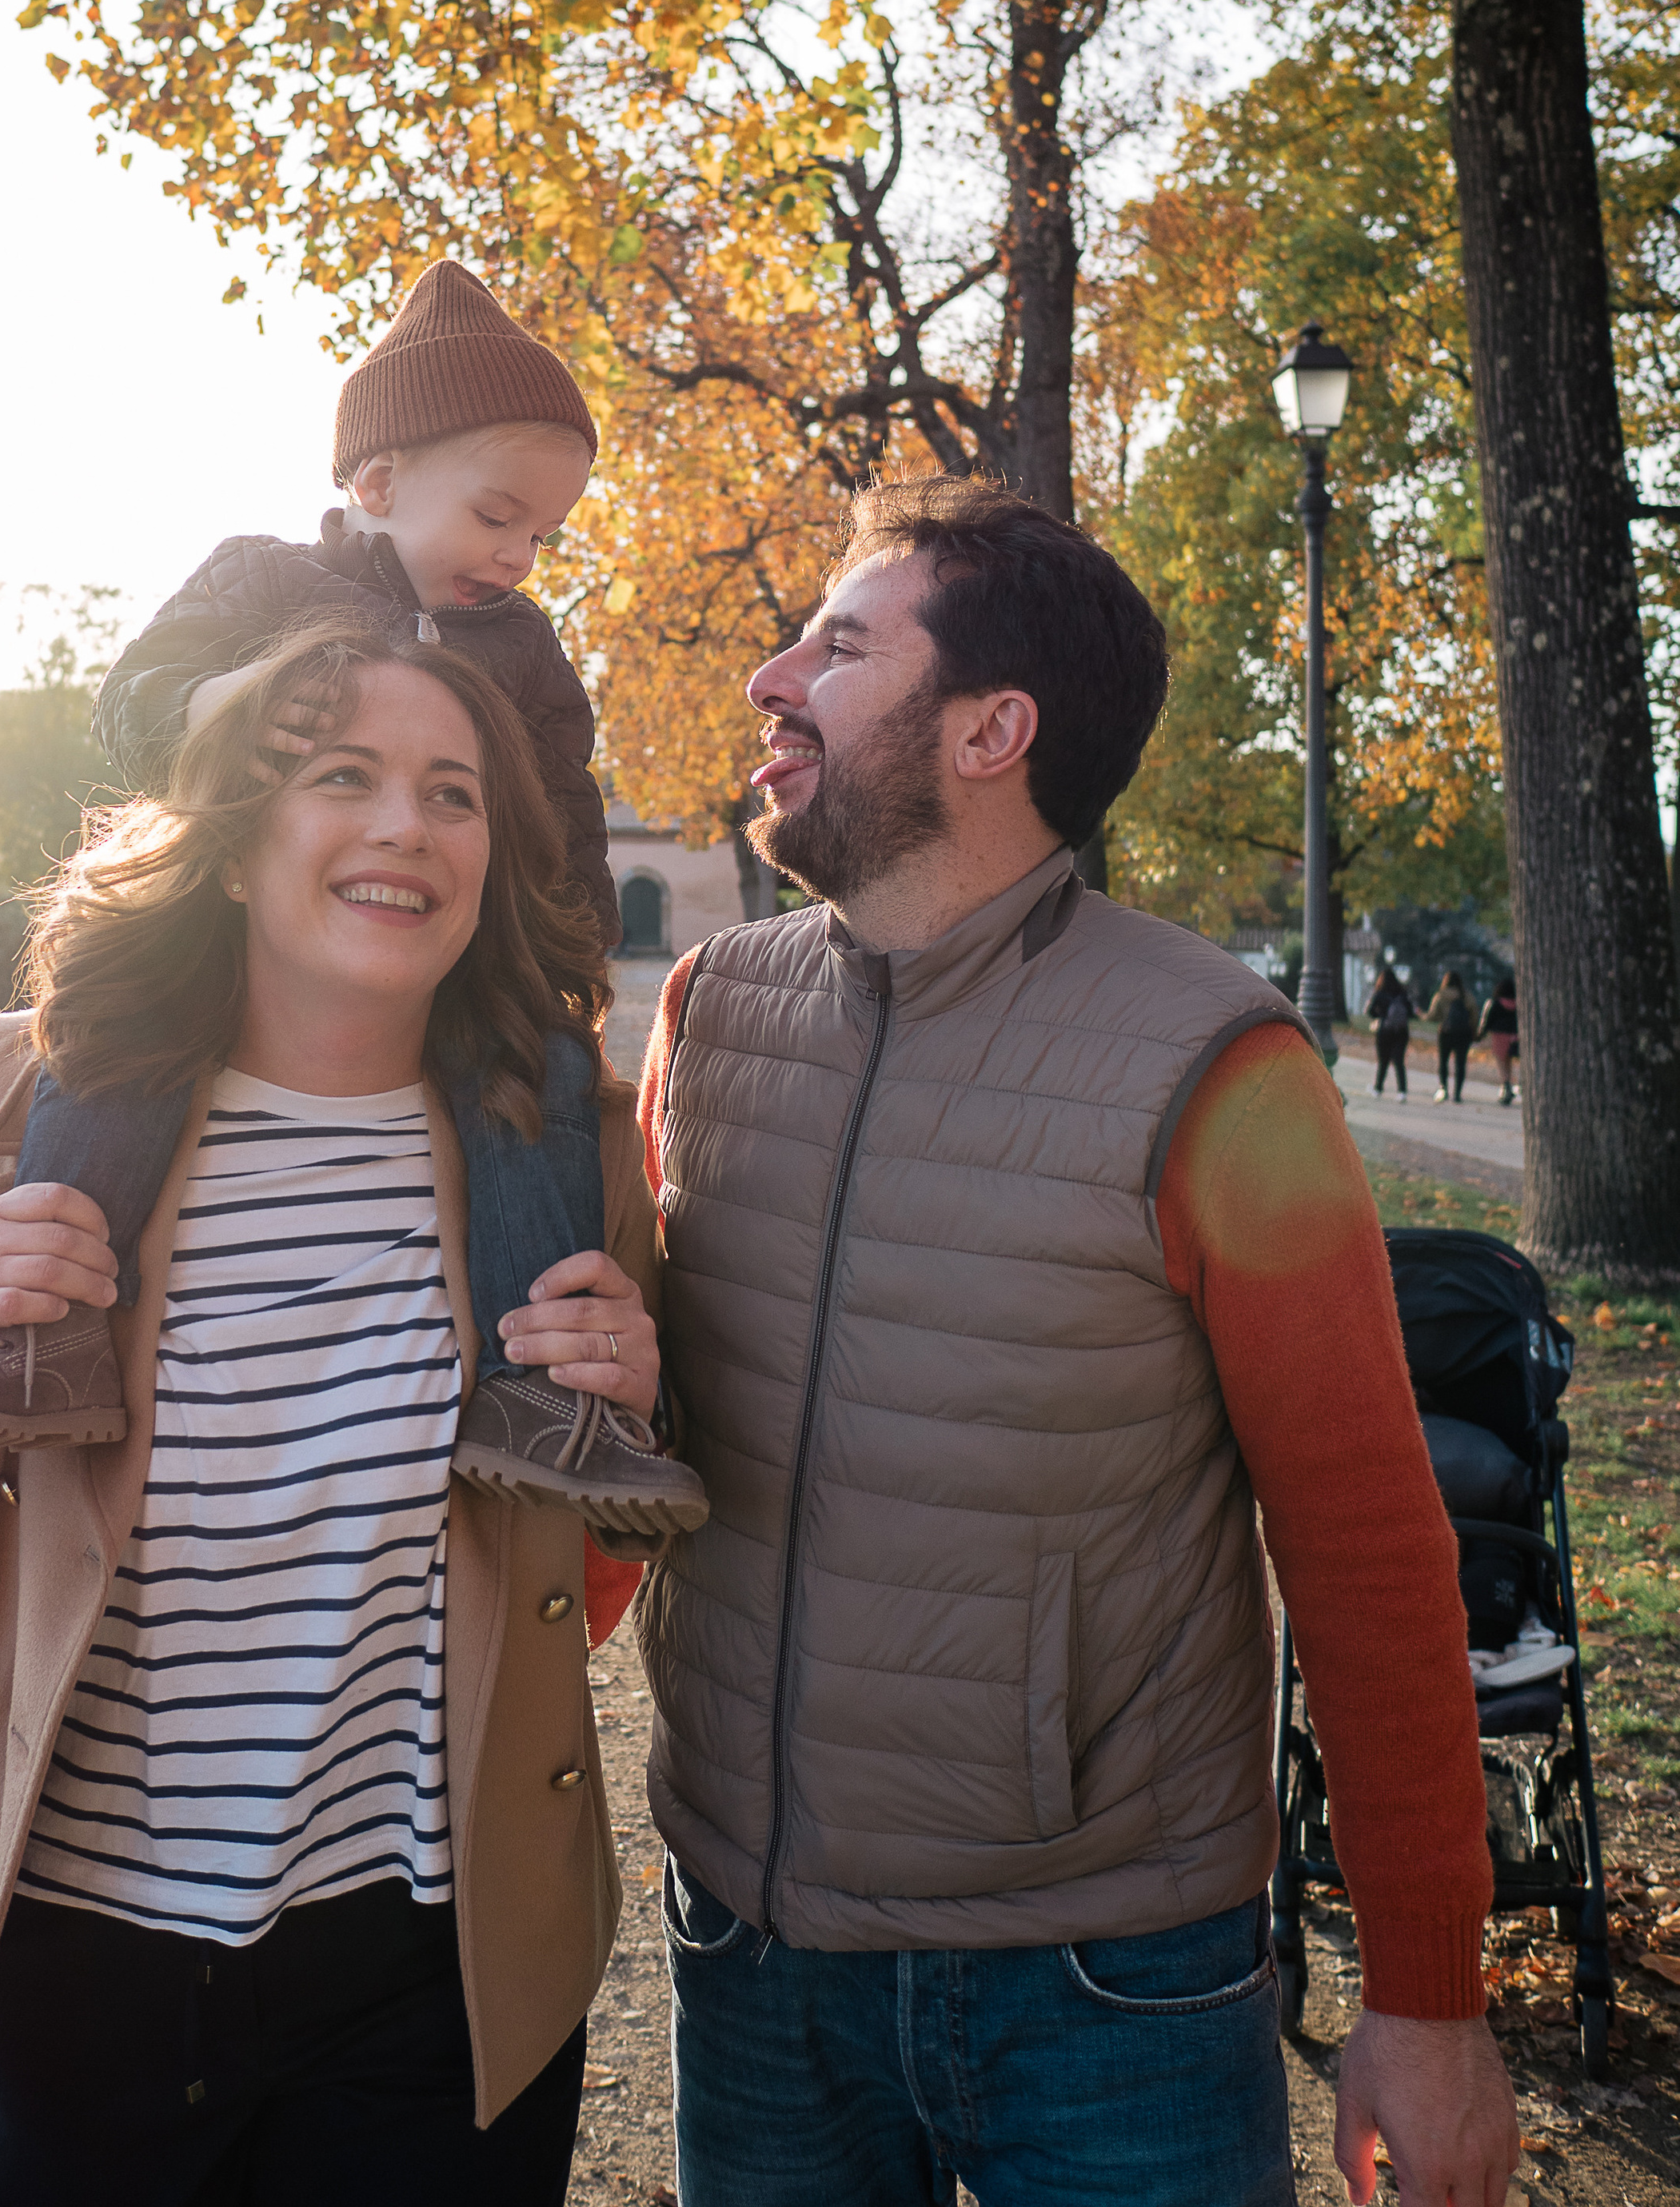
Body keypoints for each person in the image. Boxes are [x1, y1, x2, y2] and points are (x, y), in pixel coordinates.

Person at [634, 477, 1517, 2207]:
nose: (769, 678)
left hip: (1110, 1985)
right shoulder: (709, 1008)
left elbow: (1360, 1539)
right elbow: (656, 1441)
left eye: (837, 646)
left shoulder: (1218, 1063)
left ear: (991, 729)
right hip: (747, 1947)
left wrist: (1425, 1994)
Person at [0, 619, 690, 2207]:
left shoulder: (564, 1149)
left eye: (454, 792)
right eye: (343, 775)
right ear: (226, 837)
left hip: (434, 1952)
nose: (408, 824)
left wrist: (635, 1388)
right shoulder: (26, 1094)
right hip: (80, 1944)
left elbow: (633, 1504)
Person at [0, 261, 706, 1542]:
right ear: (377, 483)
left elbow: (564, 806)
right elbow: (132, 700)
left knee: (530, 1076)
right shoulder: (260, 587)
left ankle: (541, 1391)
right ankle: (43, 1333)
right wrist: (222, 704)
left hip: (474, 973)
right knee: (124, 1035)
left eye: (544, 536)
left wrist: (573, 953)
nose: (518, 555)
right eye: (498, 516)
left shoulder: (523, 649)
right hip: (209, 952)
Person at [1427, 970, 1477, 1104]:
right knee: (1460, 1063)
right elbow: (1474, 1015)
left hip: (1446, 1032)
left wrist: (1422, 1015)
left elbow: (1433, 1016)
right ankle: (1457, 1094)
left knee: (1443, 1061)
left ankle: (1443, 1089)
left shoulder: (1440, 995)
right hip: (1463, 1033)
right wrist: (1474, 1031)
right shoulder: (1467, 996)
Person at [1367, 961, 1414, 1097]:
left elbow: (1371, 1012)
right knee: (1399, 1061)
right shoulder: (1402, 993)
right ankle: (1402, 1091)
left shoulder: (1380, 993)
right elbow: (1410, 1013)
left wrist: (1382, 1015)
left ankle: (1378, 1088)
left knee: (1383, 1061)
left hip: (1385, 1030)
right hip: (1401, 1031)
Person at [1477, 974, 1520, 1106]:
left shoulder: (1495, 1003)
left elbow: (1488, 1020)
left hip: (1498, 1035)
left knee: (1500, 1062)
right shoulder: (1518, 1004)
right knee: (1508, 1061)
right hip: (1513, 1036)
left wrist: (1482, 1034)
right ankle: (1509, 1084)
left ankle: (1506, 1085)